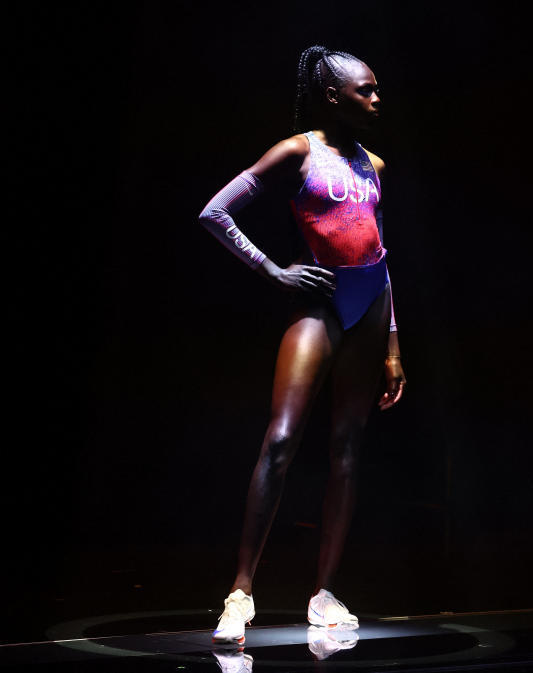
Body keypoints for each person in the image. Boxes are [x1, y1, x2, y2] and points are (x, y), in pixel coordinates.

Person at [198, 44, 406, 647]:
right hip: (317, 303)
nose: (375, 99)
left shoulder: (376, 165)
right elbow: (216, 212)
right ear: (332, 96)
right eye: (364, 90)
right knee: (283, 439)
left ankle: (324, 594)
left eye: (376, 89)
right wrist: (272, 271)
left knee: (346, 448)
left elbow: (381, 255)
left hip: (371, 305)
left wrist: (393, 343)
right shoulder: (298, 151)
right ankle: (240, 594)